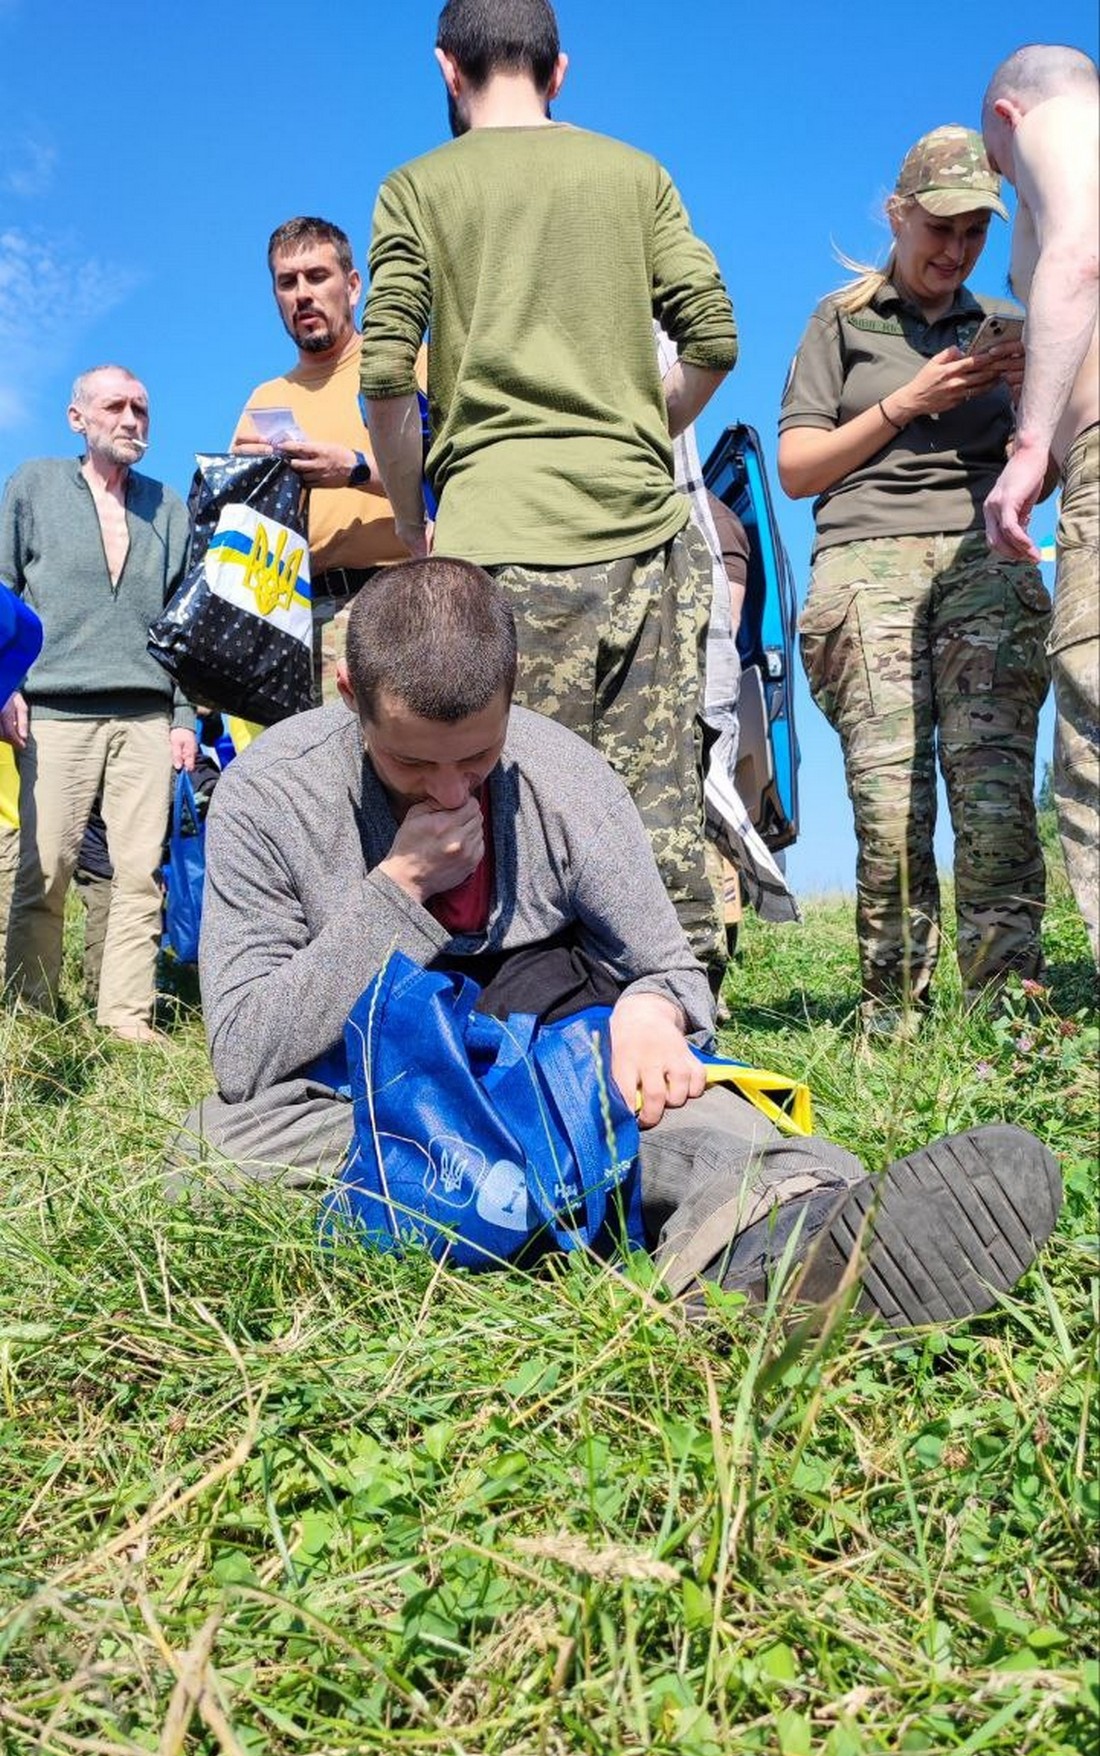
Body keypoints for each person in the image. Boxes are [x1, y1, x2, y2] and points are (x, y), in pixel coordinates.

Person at [176, 557, 1061, 1330]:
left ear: (512, 697)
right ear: (348, 697)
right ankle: (587, 1205)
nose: (449, 789)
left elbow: (670, 967)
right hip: (378, 1081)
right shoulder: (269, 795)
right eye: (412, 763)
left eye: (476, 758)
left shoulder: (566, 777)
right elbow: (246, 1054)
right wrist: (397, 890)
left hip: (560, 1055)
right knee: (213, 1147)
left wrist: (651, 1008)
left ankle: (795, 1244)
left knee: (696, 1104)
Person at [359, 0, 737, 988]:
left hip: (495, 545)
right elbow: (712, 339)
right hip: (644, 536)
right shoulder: (634, 174)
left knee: (503, 811)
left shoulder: (416, 188)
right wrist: (631, 427)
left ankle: (522, 1031)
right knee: (657, 808)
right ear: (557, 70)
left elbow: (387, 379)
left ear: (447, 67)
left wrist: (412, 519)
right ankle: (681, 1038)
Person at [778, 127, 1053, 1035]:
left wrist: (1033, 419)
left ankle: (1009, 1016)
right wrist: (909, 402)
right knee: (890, 801)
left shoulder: (1003, 329)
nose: (956, 250)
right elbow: (797, 468)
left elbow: (1035, 478)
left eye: (976, 231)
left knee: (995, 792)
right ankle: (894, 1017)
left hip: (980, 559)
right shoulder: (840, 323)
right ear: (897, 216)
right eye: (940, 226)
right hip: (866, 560)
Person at [0, 365, 194, 1040]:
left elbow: (183, 624)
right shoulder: (31, 486)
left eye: (142, 407)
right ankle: (32, 1019)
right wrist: (4, 688)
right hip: (52, 710)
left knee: (140, 876)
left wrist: (185, 716)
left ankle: (126, 1022)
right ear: (77, 418)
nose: (132, 418)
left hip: (144, 713)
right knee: (44, 870)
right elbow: (0, 591)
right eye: (116, 406)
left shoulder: (169, 507)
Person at [982, 46, 1099, 965]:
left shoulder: (1063, 129)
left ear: (1006, 115)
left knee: (1094, 747)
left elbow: (1079, 257)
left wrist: (1027, 452)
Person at [230, 217, 426, 701]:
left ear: (353, 285)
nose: (302, 294)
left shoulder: (409, 366)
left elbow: (451, 481)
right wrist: (248, 486)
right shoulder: (263, 400)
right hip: (297, 622)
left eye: (317, 276)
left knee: (408, 767)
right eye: (287, 282)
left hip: (403, 600)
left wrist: (354, 469)